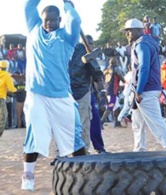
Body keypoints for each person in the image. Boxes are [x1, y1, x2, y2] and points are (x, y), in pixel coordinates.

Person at [22, 0, 86, 191]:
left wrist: (67, 4)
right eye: (46, 20)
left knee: (75, 141)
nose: (48, 23)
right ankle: (28, 177)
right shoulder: (33, 29)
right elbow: (28, 6)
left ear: (60, 19)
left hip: (61, 97)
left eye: (52, 20)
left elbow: (75, 20)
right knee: (34, 135)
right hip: (36, 95)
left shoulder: (67, 37)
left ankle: (84, 176)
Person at [121, 18, 166, 152]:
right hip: (145, 88)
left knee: (155, 121)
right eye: (126, 32)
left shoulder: (142, 44)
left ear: (139, 30)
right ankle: (139, 149)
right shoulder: (148, 43)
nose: (127, 34)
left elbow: (144, 67)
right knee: (137, 122)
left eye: (130, 31)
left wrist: (139, 90)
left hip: (145, 89)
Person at [69, 35, 106, 154]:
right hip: (67, 92)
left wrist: (102, 92)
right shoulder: (66, 50)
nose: (89, 45)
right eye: (87, 43)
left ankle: (88, 150)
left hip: (84, 92)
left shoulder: (88, 54)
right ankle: (63, 151)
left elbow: (97, 74)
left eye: (91, 43)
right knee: (65, 124)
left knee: (87, 122)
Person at [0, 60, 17, 136]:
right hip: (1, 98)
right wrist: (16, 90)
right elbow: (11, 88)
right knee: (4, 115)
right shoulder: (6, 75)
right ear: (6, 68)